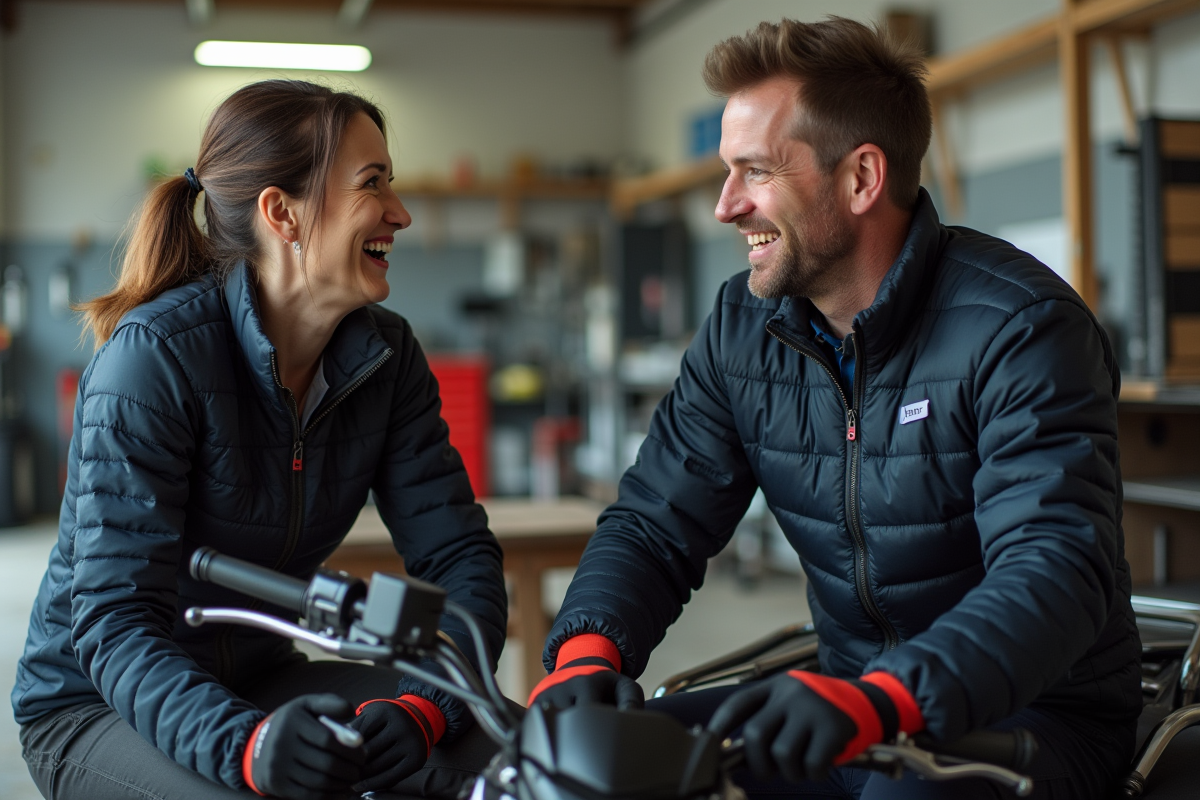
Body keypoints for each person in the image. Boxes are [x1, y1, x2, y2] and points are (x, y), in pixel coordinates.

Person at [527, 17, 1142, 800]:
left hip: (1034, 717)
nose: (724, 206)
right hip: (848, 698)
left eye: (754, 172)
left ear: (860, 179)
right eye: (727, 172)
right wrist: (586, 653)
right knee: (596, 765)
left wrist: (887, 700)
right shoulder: (743, 328)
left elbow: (1055, 569)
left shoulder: (1019, 327)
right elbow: (656, 520)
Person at [12, 80, 508, 800]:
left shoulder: (388, 357)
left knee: (527, 755)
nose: (399, 214)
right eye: (374, 186)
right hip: (93, 705)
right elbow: (115, 623)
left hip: (260, 675)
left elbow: (459, 558)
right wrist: (246, 744)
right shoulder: (154, 357)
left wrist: (426, 706)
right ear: (283, 213)